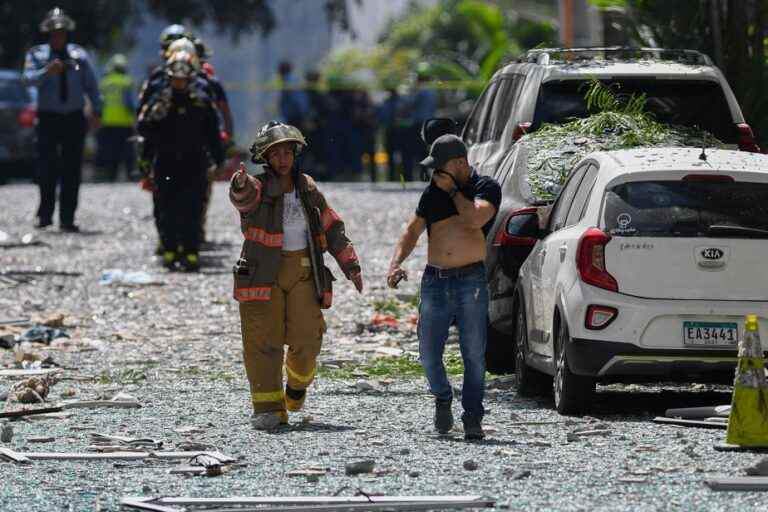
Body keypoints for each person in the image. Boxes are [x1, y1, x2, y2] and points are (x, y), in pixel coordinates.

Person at [229, 121, 364, 430]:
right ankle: (269, 409)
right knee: (263, 341)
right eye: (275, 154)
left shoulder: (308, 188)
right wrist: (239, 184)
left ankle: (297, 387)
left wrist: (350, 265)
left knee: (308, 338)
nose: (283, 159)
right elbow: (243, 198)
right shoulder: (258, 188)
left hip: (303, 272)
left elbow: (332, 226)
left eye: (288, 152)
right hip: (262, 276)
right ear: (265, 158)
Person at [386, 134, 501, 440]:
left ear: (460, 163)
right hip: (435, 280)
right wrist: (396, 263)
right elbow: (412, 231)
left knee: (474, 353)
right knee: (427, 352)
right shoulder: (433, 192)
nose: (434, 174)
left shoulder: (486, 187)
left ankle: (473, 416)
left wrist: (452, 192)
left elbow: (475, 219)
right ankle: (442, 397)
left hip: (471, 281)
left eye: (440, 168)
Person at [136, 51, 224, 271]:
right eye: (175, 78)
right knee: (166, 207)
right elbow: (145, 131)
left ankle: (191, 252)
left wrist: (219, 159)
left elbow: (212, 133)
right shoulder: (159, 101)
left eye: (183, 79)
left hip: (195, 164)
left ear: (190, 78)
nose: (179, 82)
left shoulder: (202, 102)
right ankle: (169, 250)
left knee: (193, 207)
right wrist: (145, 160)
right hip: (165, 162)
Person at [22, 7, 102, 232]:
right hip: (48, 118)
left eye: (62, 33)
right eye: (54, 33)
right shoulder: (36, 55)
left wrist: (97, 109)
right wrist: (46, 72)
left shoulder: (79, 56)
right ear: (49, 34)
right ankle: (45, 215)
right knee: (46, 167)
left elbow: (91, 85)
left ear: (67, 34)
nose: (58, 37)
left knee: (71, 169)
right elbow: (27, 80)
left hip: (73, 118)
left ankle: (68, 218)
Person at [97, 54, 135, 182]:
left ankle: (110, 177)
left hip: (108, 122)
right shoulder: (126, 81)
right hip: (124, 122)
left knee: (111, 152)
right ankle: (130, 176)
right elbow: (129, 103)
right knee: (128, 152)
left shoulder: (105, 82)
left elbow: (100, 103)